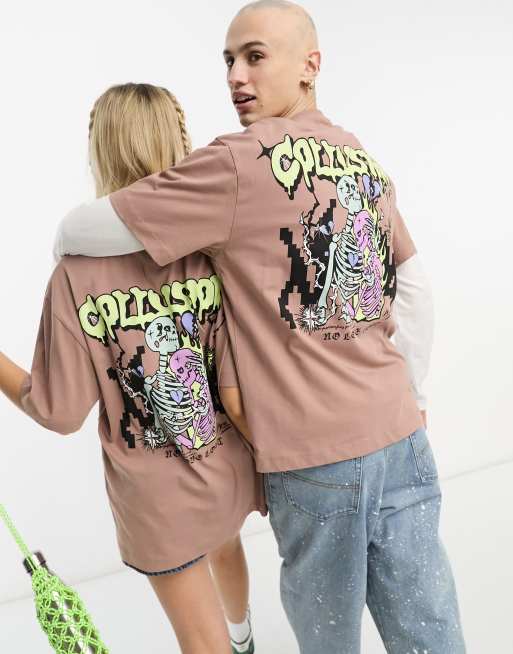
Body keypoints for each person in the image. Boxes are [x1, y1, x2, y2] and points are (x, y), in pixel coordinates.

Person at [54, 2, 467, 652]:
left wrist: (61, 247)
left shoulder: (236, 163)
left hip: (313, 456)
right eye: (228, 60)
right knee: (430, 629)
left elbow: (92, 226)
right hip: (401, 439)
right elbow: (413, 285)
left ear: (310, 64)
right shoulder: (357, 153)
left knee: (328, 638)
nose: (235, 76)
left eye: (254, 56)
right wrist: (410, 397)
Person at [0, 82, 264, 654]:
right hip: (228, 467)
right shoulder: (210, 251)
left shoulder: (74, 274)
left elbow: (58, 411)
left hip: (158, 499)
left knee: (202, 643)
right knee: (225, 544)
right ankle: (244, 638)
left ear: (100, 150)